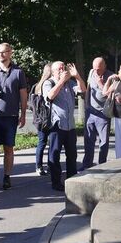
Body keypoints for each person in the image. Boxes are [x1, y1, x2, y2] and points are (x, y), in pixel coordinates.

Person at [0, 43, 28, 190]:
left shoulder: (18, 72)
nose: (1, 55)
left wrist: (23, 114)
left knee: (9, 148)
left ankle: (7, 177)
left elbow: (23, 95)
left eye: (3, 52)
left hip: (11, 116)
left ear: (10, 53)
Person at [43, 62, 87, 191]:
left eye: (64, 67)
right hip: (56, 125)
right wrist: (61, 81)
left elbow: (83, 90)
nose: (63, 70)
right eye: (59, 68)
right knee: (54, 154)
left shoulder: (70, 83)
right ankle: (56, 182)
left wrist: (77, 76)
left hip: (70, 125)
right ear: (53, 72)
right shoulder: (49, 83)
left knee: (72, 155)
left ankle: (71, 180)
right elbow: (50, 96)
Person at [82, 57, 112, 170]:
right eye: (94, 69)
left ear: (105, 66)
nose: (96, 71)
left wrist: (100, 82)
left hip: (103, 113)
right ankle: (87, 164)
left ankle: (102, 165)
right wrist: (86, 104)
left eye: (99, 69)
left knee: (103, 142)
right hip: (90, 112)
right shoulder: (92, 72)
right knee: (88, 140)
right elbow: (88, 88)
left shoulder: (111, 76)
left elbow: (107, 94)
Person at [30, 64, 52, 176]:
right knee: (46, 143)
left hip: (44, 119)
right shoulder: (42, 85)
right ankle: (44, 166)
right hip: (45, 119)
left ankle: (44, 166)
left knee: (46, 143)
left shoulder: (38, 86)